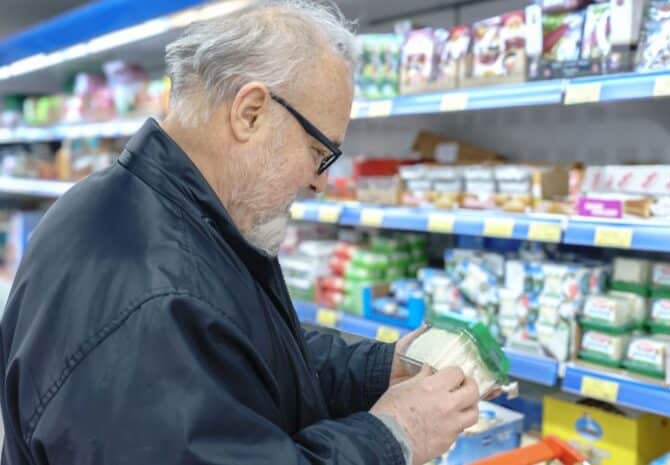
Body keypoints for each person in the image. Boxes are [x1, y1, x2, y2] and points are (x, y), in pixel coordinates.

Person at [0, 2, 480, 465]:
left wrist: (379, 369)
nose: (321, 181)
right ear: (250, 112)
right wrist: (395, 436)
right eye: (321, 152)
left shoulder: (162, 214)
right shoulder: (148, 297)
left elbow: (239, 352)